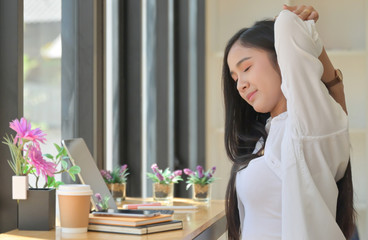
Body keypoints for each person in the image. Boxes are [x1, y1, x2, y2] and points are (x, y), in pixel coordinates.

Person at [222, 4, 355, 240]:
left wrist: (296, 25)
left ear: (281, 57)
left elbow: (287, 25)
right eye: (235, 77)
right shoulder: (267, 135)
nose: (240, 84)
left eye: (247, 67)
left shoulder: (306, 125)